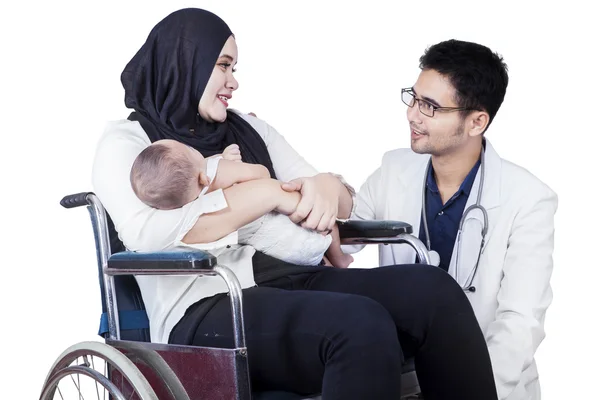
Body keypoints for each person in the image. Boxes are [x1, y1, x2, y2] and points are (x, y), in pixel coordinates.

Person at [92, 8, 498, 399]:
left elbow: (336, 198)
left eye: (234, 68)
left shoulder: (249, 128)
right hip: (208, 301)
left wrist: (326, 186)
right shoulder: (128, 143)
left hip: (294, 275)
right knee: (359, 326)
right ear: (186, 63)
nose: (234, 81)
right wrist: (264, 195)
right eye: (223, 65)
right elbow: (147, 235)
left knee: (433, 290)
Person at [346, 39, 558, 400]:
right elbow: (341, 233)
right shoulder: (393, 169)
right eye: (413, 98)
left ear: (477, 121)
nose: (413, 114)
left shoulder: (528, 198)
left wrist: (466, 387)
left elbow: (520, 323)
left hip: (487, 380)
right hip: (403, 380)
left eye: (430, 106)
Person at [129, 138, 352, 267]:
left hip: (276, 251)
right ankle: (338, 258)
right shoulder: (215, 172)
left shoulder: (189, 208)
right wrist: (230, 165)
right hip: (296, 236)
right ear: (202, 177)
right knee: (321, 212)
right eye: (188, 149)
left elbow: (202, 181)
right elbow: (262, 174)